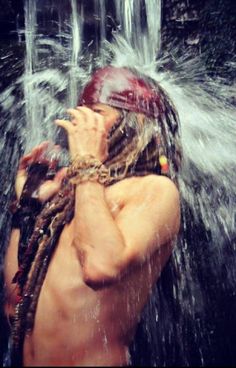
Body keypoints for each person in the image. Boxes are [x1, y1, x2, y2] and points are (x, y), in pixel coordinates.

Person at [3, 66, 181, 366]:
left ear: (135, 124)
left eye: (97, 114)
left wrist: (86, 163)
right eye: (82, 115)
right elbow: (14, 308)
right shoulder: (76, 199)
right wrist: (27, 207)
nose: (81, 126)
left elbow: (100, 267)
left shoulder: (155, 190)